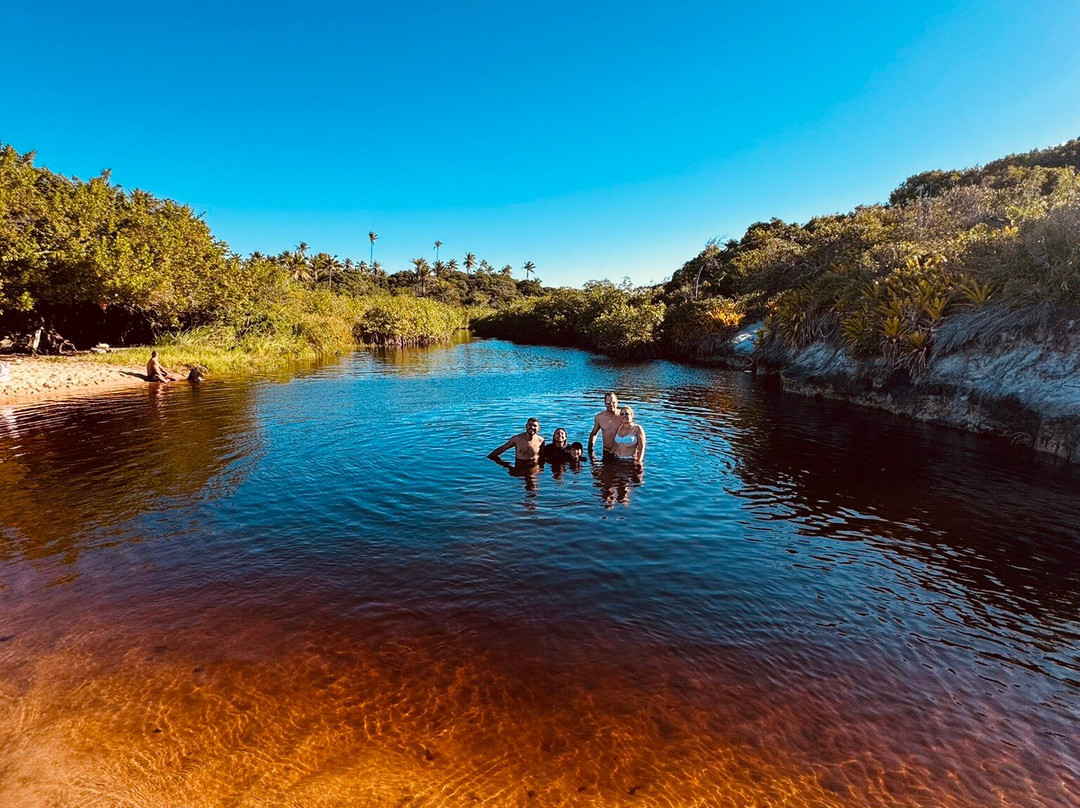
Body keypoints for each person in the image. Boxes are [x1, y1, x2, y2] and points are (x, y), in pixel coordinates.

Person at [587, 391, 622, 459]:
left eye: (613, 402)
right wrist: (590, 451)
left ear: (617, 402)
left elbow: (631, 431)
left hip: (621, 451)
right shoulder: (600, 417)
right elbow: (594, 433)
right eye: (608, 403)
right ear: (604, 403)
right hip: (606, 451)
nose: (611, 405)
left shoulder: (623, 416)